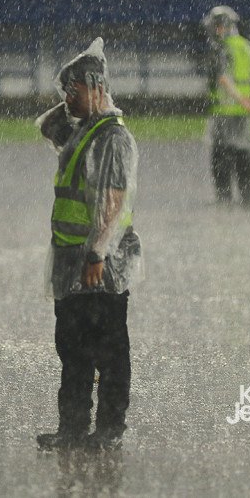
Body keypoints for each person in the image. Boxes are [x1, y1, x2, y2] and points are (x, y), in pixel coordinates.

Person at [35, 38, 142, 451]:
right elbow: (47, 126)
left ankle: (110, 430)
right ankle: (73, 429)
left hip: (100, 264)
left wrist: (98, 251)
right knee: (73, 352)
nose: (66, 99)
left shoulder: (113, 138)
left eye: (74, 90)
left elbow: (114, 202)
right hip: (70, 262)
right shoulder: (83, 131)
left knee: (109, 352)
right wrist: (77, 94)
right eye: (65, 91)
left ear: (96, 87)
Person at [202, 5, 250, 208]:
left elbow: (222, 78)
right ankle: (247, 198)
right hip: (243, 112)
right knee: (242, 153)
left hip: (224, 110)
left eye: (216, 26)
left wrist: (239, 98)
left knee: (220, 154)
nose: (214, 30)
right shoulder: (246, 47)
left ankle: (224, 197)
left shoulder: (220, 49)